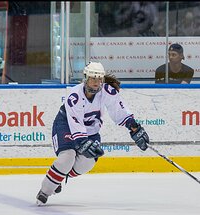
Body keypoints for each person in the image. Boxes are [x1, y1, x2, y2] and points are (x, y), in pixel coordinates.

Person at [36, 62, 150, 205]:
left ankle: (57, 177)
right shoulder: (74, 95)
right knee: (67, 158)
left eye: (99, 79)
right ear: (85, 78)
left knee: (87, 163)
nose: (96, 82)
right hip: (66, 126)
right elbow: (75, 123)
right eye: (93, 78)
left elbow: (119, 111)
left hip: (91, 132)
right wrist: (82, 141)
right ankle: (45, 191)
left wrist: (134, 128)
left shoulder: (107, 92)